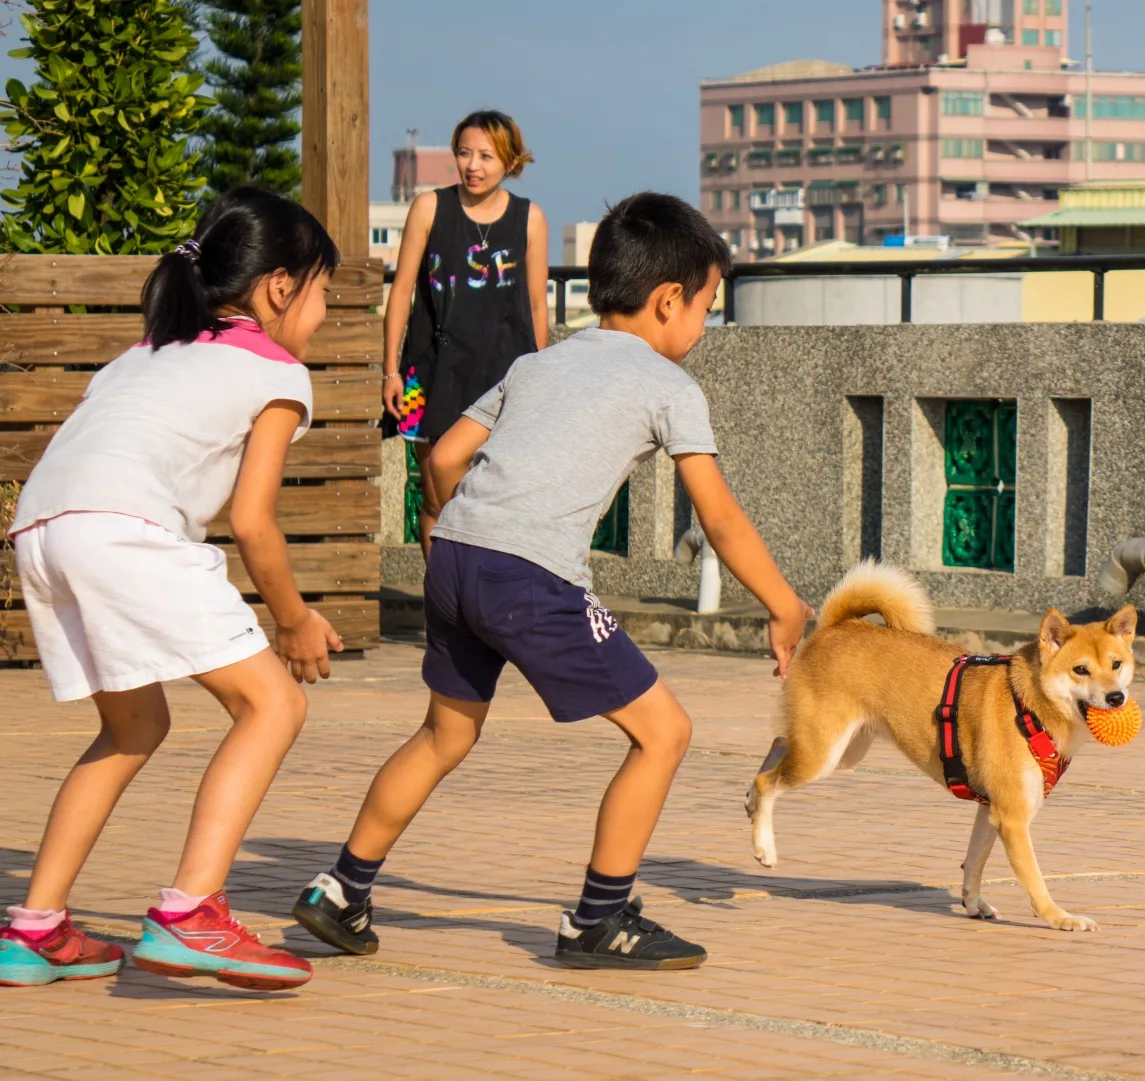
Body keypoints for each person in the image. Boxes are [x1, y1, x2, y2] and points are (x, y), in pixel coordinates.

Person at [292, 192, 810, 972]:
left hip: (457, 553)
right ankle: (598, 921)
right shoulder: (669, 386)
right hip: (529, 575)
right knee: (663, 732)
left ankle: (341, 890)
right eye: (706, 307)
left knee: (445, 733)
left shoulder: (537, 363)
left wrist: (459, 536)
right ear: (669, 300)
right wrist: (784, 603)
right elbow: (722, 519)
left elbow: (439, 460)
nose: (703, 326)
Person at [0, 188, 344, 991]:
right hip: (125, 528)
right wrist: (291, 621)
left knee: (131, 727)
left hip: (43, 527)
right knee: (274, 704)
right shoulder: (278, 371)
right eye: (325, 291)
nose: (327, 312)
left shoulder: (145, 349)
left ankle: (35, 929)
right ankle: (191, 913)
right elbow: (254, 522)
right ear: (280, 288)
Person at [383, 109, 549, 554]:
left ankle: (476, 606)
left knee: (488, 501)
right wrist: (390, 372)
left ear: (511, 162)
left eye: (486, 156)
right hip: (426, 373)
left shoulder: (529, 219)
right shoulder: (429, 207)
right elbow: (400, 293)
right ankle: (442, 612)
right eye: (464, 153)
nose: (473, 165)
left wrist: (539, 374)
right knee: (435, 498)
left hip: (502, 375)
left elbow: (536, 303)